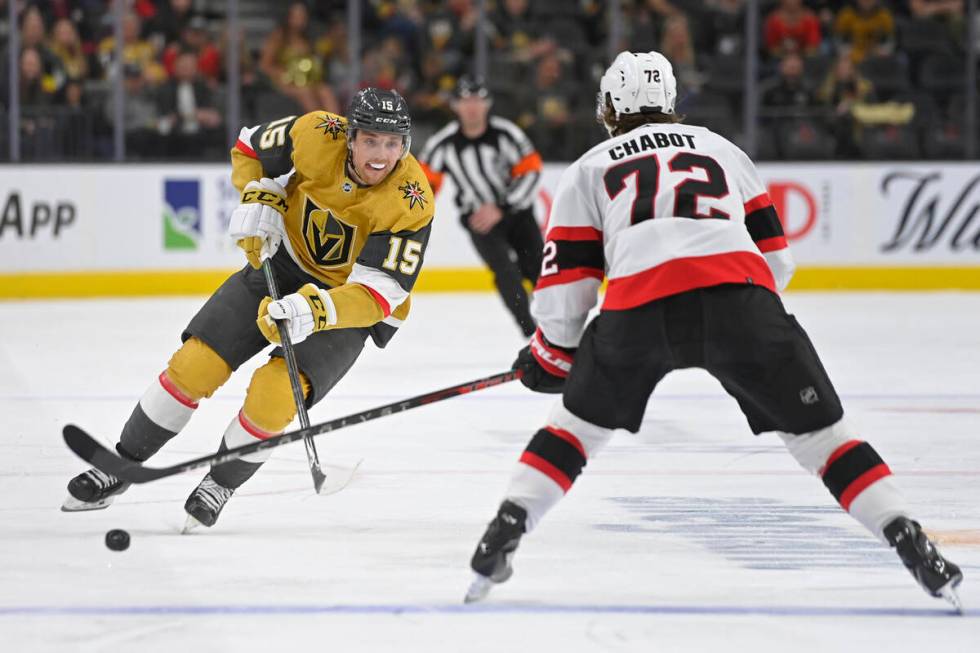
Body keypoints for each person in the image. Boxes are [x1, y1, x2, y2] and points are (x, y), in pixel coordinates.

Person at [464, 51, 963, 610]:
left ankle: (504, 531)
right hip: (741, 298)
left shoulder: (588, 167)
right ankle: (907, 536)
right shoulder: (720, 149)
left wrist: (552, 356)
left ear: (608, 106)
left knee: (575, 432)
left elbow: (564, 291)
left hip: (639, 306)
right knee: (824, 440)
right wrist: (747, 316)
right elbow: (777, 260)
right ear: (671, 102)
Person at [63, 88, 435, 529]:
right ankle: (120, 464)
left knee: (276, 394)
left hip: (346, 306)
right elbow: (250, 148)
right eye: (371, 140)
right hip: (282, 266)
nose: (380, 155)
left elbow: (379, 294)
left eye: (392, 144)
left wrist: (314, 311)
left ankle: (219, 484)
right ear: (350, 136)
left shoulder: (411, 200)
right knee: (194, 365)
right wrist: (259, 196)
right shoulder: (317, 132)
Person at [418, 75, 543, 337]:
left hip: (517, 214)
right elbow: (423, 188)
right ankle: (531, 333)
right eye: (465, 101)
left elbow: (531, 170)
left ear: (487, 104)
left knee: (539, 270)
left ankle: (557, 329)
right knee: (506, 274)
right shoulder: (442, 144)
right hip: (479, 220)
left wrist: (503, 206)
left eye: (478, 100)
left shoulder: (506, 134)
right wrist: (415, 222)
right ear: (455, 106)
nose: (472, 106)